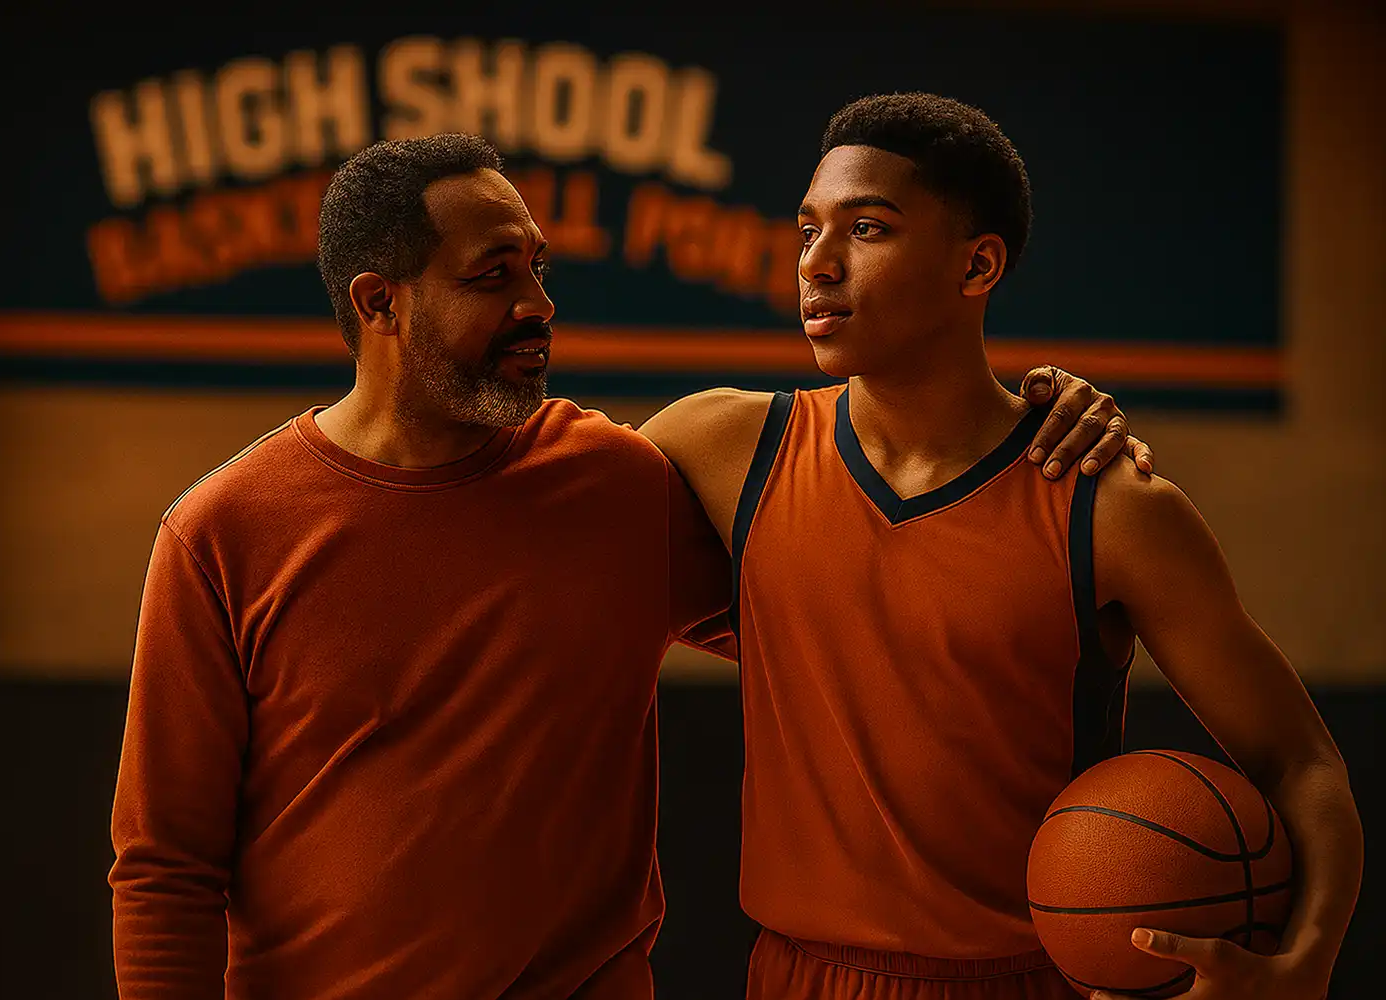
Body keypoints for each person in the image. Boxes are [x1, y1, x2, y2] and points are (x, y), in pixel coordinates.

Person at [109, 132, 1148, 1000]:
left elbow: (862, 620)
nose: (538, 305)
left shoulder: (614, 483)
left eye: (536, 269)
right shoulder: (220, 532)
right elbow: (165, 870)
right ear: (380, 304)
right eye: (492, 277)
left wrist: (1015, 435)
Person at [641, 94, 1363, 1000]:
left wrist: (1306, 965)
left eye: (867, 229)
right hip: (795, 973)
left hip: (1031, 980)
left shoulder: (1111, 507)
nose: (816, 266)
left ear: (977, 264)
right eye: (807, 230)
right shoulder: (717, 447)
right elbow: (529, 522)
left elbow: (1302, 763)